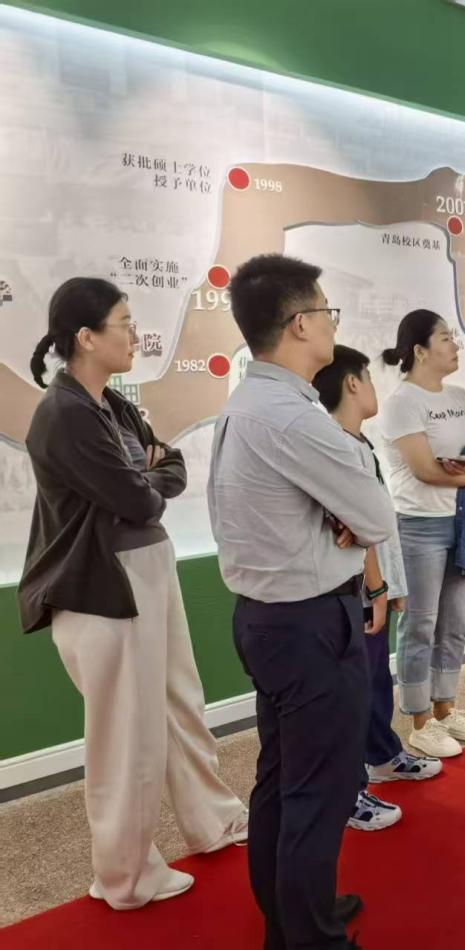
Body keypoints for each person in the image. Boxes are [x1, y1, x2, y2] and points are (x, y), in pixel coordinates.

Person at [19, 277, 247, 911]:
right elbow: (140, 497)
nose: (136, 335)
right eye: (124, 323)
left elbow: (167, 466)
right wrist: (146, 476)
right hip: (104, 585)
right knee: (125, 735)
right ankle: (124, 876)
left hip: (147, 567)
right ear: (86, 337)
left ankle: (212, 820)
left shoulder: (112, 404)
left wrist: (149, 473)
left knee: (180, 703)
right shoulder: (63, 413)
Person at [210, 254, 396, 950]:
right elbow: (375, 515)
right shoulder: (293, 417)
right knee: (318, 792)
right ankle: (311, 937)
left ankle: (292, 918)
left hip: (270, 620)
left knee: (284, 780)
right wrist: (346, 514)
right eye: (325, 311)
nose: (331, 324)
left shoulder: (248, 402)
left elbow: (340, 513)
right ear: (298, 323)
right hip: (310, 624)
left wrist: (341, 513)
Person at [312, 345, 443, 836]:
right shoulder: (336, 445)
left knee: (373, 680)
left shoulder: (358, 442)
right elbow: (356, 528)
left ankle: (382, 754)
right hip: (358, 590)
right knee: (351, 691)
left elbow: (375, 525)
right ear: (351, 383)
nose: (373, 389)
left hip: (375, 587)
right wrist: (377, 587)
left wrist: (392, 584)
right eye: (368, 378)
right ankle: (348, 790)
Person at [378, 310, 465, 758]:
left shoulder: (461, 396)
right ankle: (419, 719)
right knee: (420, 623)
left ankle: (446, 708)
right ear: (420, 350)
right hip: (419, 525)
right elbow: (425, 470)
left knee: (455, 623)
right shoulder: (401, 402)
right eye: (446, 337)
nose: (455, 345)